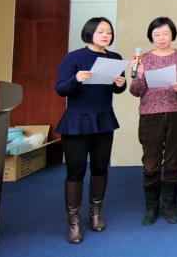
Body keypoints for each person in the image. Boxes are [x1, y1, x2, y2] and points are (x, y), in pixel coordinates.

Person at [55, 17, 127, 244]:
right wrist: (76, 78)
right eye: (101, 31)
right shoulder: (73, 57)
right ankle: (74, 221)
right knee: (76, 170)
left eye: (109, 32)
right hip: (76, 121)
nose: (106, 35)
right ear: (89, 33)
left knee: (100, 167)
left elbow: (118, 89)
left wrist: (120, 84)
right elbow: (60, 88)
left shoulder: (115, 58)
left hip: (103, 119)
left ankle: (95, 213)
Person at [129, 17, 177, 226]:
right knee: (150, 163)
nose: (161, 38)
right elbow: (136, 91)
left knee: (173, 161)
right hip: (150, 115)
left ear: (172, 34)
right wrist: (139, 75)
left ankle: (169, 205)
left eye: (165, 33)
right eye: (157, 34)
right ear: (151, 36)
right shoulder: (143, 59)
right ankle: (151, 207)